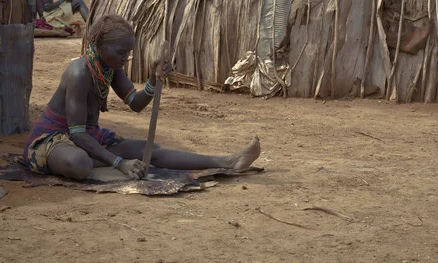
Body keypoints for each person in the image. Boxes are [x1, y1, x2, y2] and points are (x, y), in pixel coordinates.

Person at [23, 14, 261, 180]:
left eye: (128, 52)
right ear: (98, 45)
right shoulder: (79, 72)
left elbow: (135, 103)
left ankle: (227, 161)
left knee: (150, 150)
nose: (125, 58)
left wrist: (153, 80)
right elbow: (76, 133)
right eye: (120, 52)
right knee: (80, 164)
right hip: (55, 139)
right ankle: (102, 158)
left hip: (89, 137)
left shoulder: (109, 68)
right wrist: (119, 163)